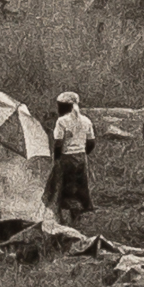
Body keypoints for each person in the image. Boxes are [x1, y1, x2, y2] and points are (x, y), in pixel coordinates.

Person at [46, 93, 94, 226]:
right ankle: (76, 218)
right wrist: (83, 153)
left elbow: (58, 143)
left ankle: (62, 219)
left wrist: (56, 159)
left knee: (62, 187)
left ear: (64, 106)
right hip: (81, 158)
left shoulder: (61, 121)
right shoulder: (86, 120)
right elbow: (91, 142)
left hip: (66, 158)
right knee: (79, 187)